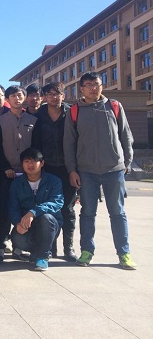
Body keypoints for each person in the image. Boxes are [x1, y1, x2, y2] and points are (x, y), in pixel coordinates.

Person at [64, 72, 136, 269]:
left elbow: (126, 136)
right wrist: (72, 170)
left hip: (114, 169)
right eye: (88, 85)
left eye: (96, 84)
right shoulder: (75, 111)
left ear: (101, 86)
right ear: (81, 89)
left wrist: (126, 163)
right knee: (87, 213)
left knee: (118, 212)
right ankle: (87, 251)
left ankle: (124, 253)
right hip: (86, 171)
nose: (93, 88)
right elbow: (69, 144)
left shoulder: (114, 106)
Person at [31, 82, 77, 261]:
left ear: (63, 96)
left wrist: (75, 168)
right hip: (47, 169)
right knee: (48, 208)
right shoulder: (38, 117)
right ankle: (50, 247)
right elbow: (35, 145)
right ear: (44, 97)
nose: (53, 97)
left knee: (68, 209)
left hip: (68, 168)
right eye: (49, 94)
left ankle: (68, 247)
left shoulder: (72, 113)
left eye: (57, 93)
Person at [0, 85, 37, 261]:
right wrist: (5, 167)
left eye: (19, 95)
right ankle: (1, 245)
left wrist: (30, 168)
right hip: (7, 173)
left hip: (27, 174)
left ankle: (20, 246)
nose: (16, 99)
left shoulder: (33, 120)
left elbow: (36, 147)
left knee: (24, 209)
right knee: (4, 210)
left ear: (24, 97)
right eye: (13, 96)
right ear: (7, 100)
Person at [8, 148, 63, 271]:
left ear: (42, 163)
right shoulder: (17, 184)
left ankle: (42, 257)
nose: (30, 165)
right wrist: (17, 223)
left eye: (34, 161)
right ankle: (36, 252)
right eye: (26, 161)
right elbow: (12, 207)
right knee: (17, 238)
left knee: (46, 218)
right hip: (27, 227)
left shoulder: (54, 181)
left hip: (49, 226)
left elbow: (56, 202)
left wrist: (33, 212)